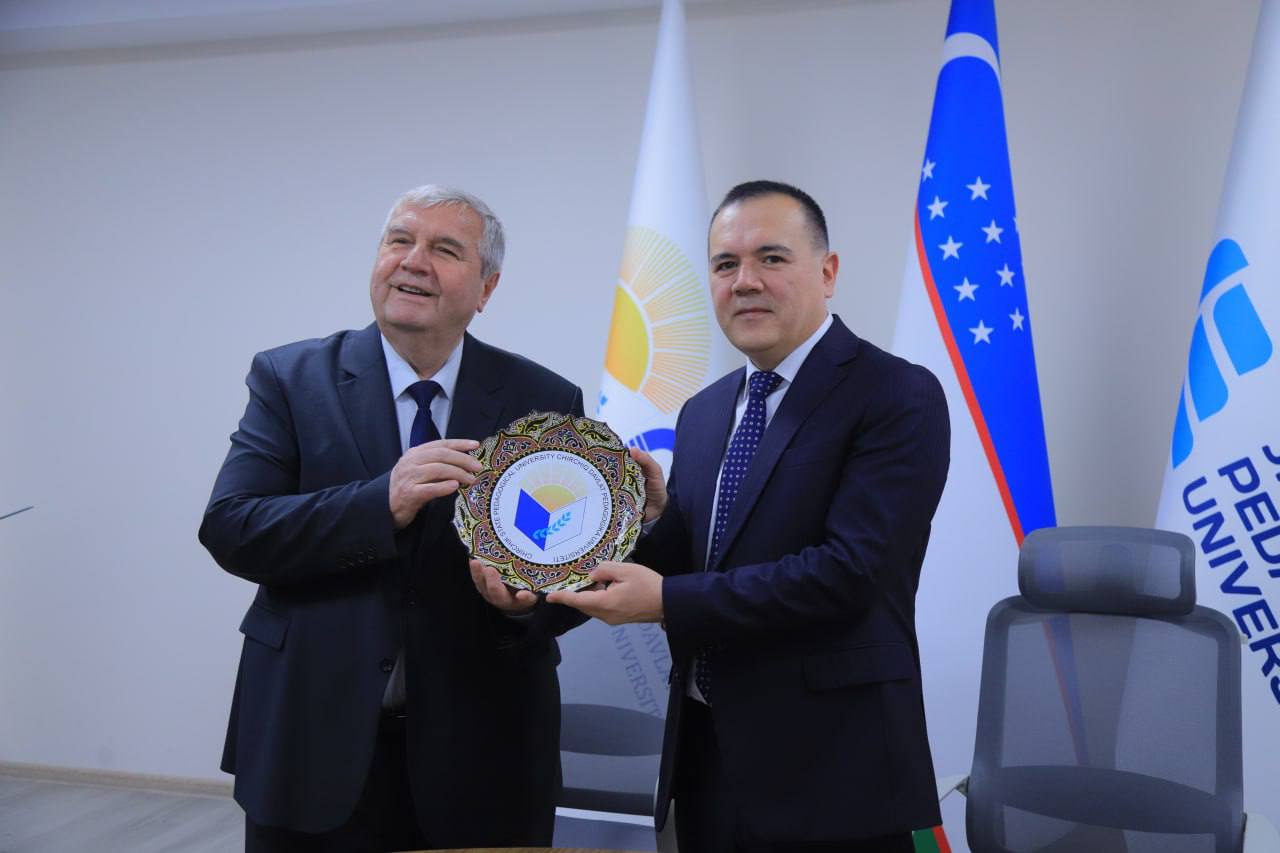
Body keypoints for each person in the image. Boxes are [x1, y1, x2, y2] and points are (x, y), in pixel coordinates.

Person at [545, 180, 951, 851]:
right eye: (725, 264)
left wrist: (667, 599)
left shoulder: (896, 393)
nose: (745, 281)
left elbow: (847, 574)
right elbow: (703, 555)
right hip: (706, 763)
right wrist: (558, 575)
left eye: (771, 258)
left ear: (827, 272)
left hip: (833, 777)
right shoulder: (704, 411)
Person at [199, 185, 584, 852]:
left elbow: (567, 563)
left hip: (484, 747)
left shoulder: (543, 399)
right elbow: (234, 526)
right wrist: (381, 502)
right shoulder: (291, 378)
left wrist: (529, 604)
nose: (413, 261)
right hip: (311, 738)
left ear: (486, 288)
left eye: (444, 249)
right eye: (399, 241)